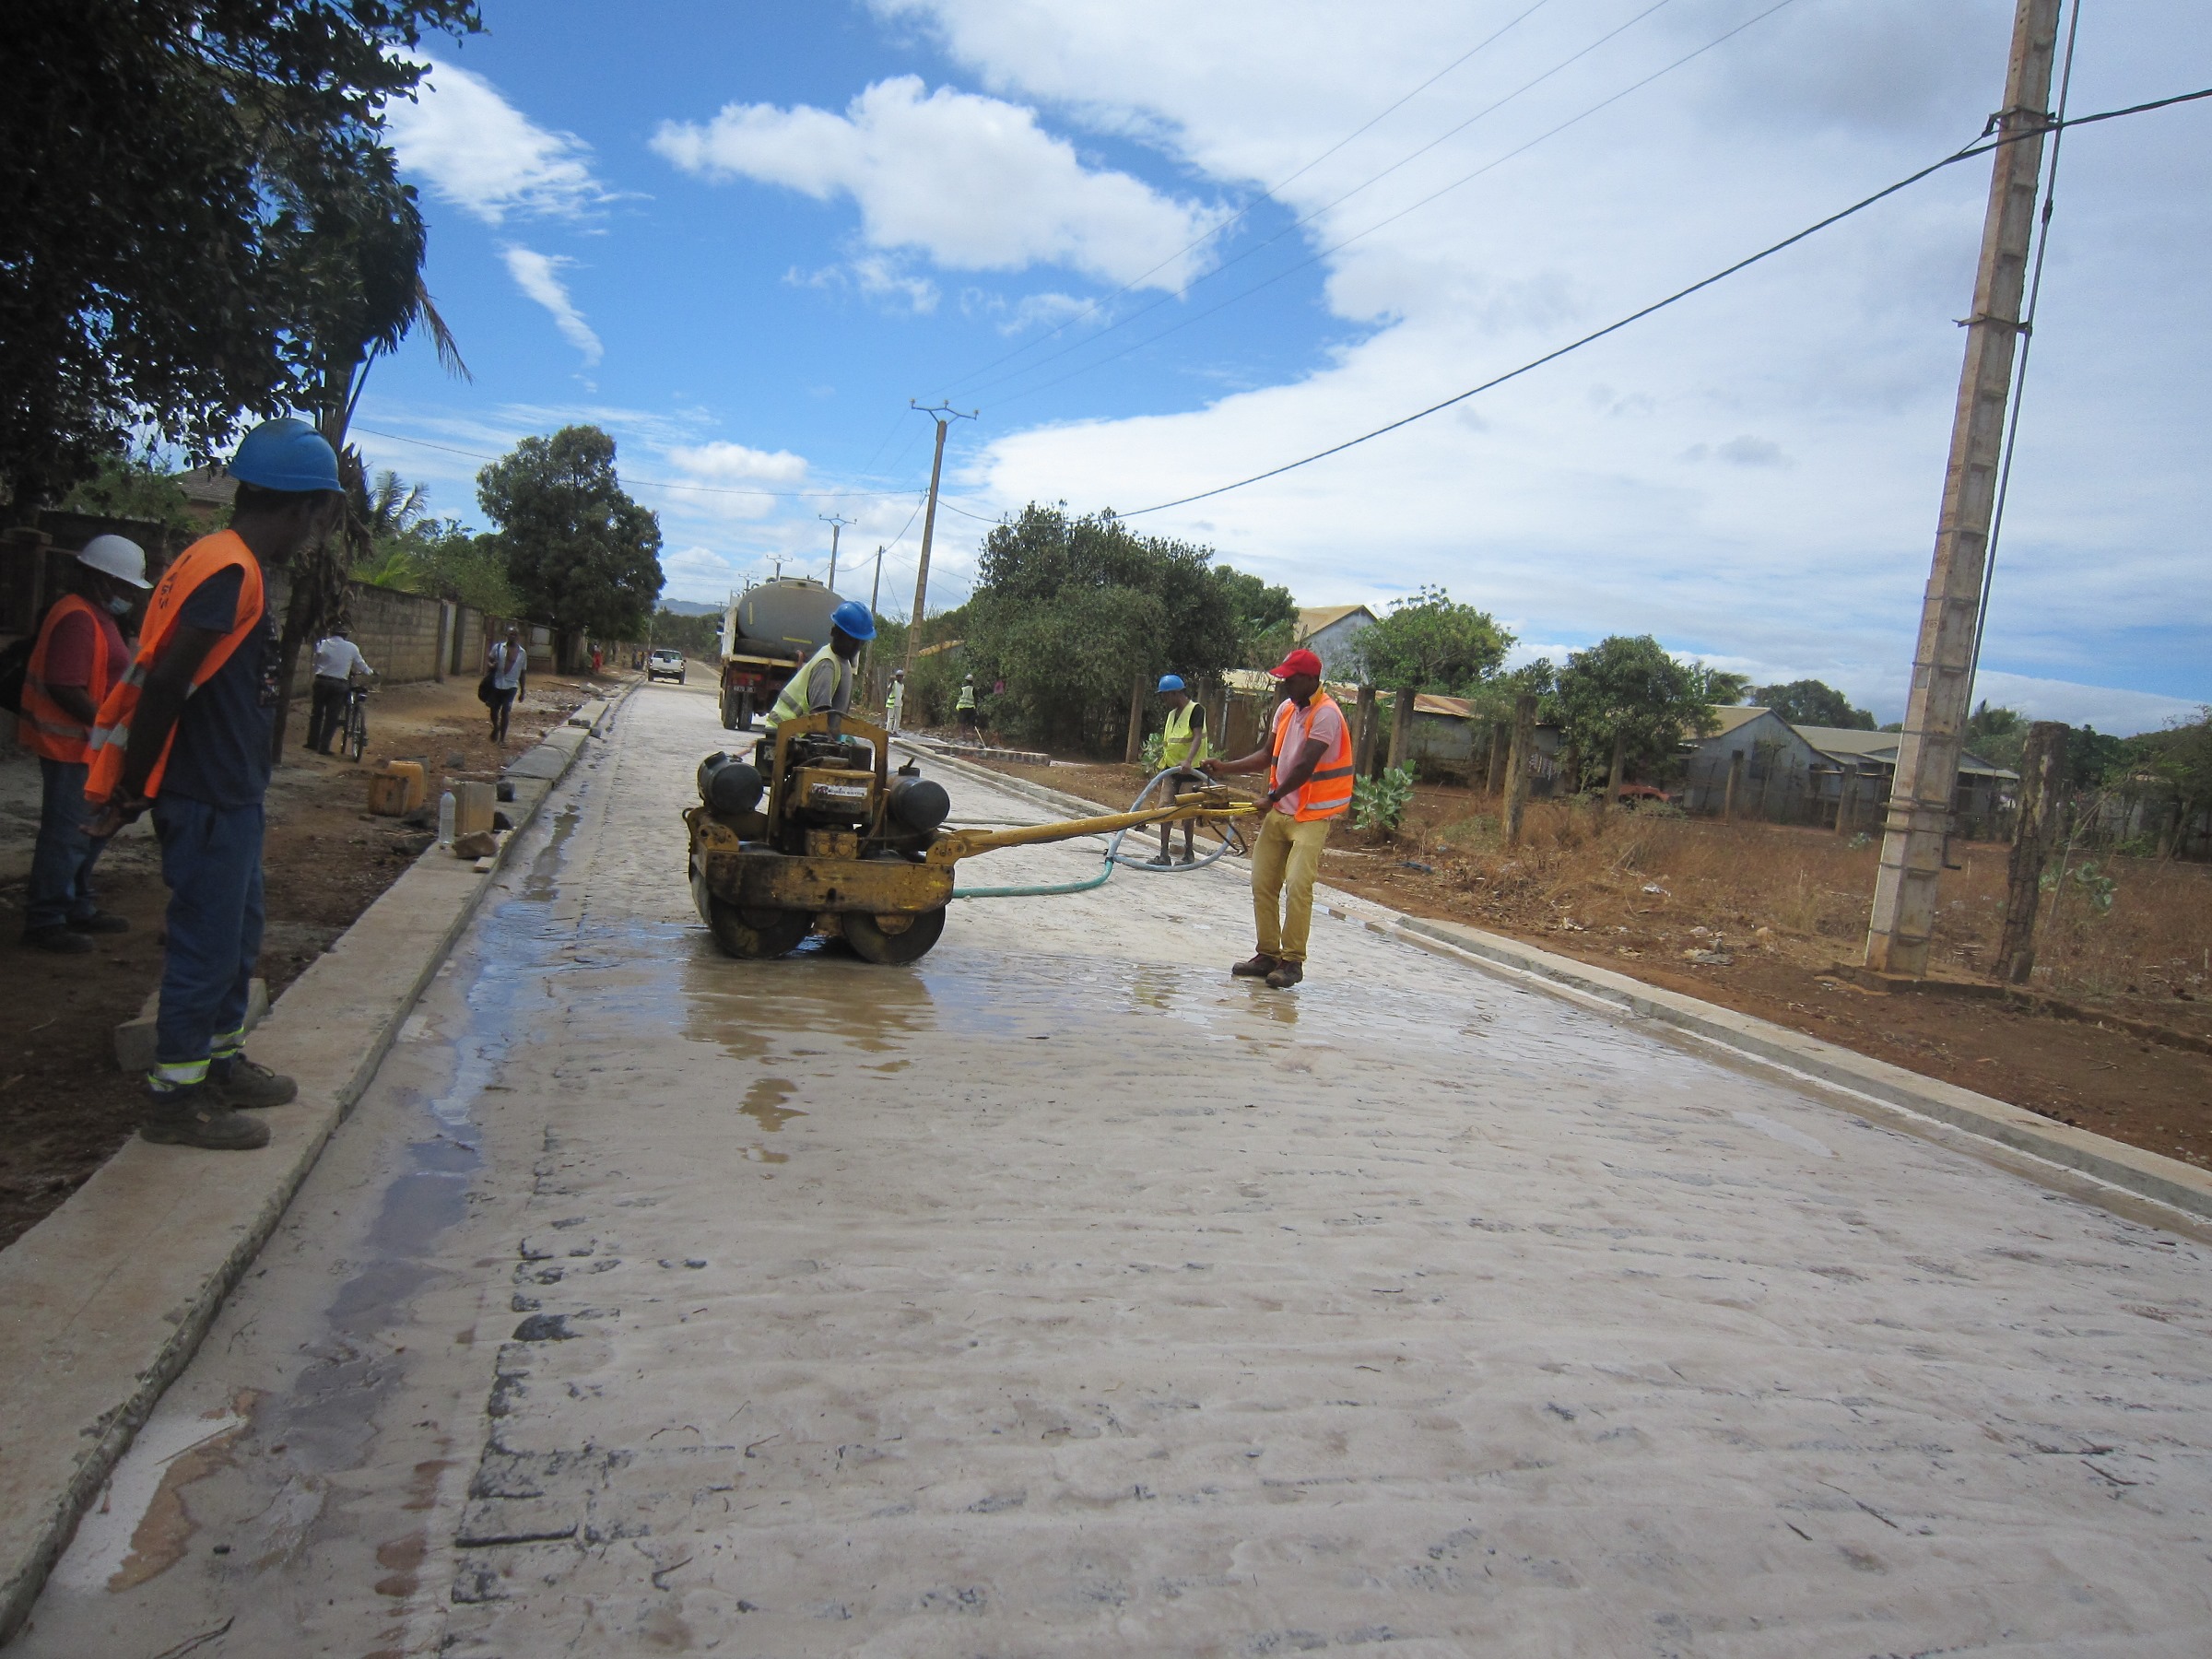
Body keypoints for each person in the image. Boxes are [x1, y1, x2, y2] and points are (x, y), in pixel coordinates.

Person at [86, 418, 345, 1150]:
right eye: (318, 516)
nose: (313, 532)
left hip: (230, 790)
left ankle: (221, 1061)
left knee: (239, 933)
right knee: (205, 943)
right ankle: (176, 1098)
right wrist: (132, 791)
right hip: (203, 790)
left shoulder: (222, 560)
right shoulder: (228, 569)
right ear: (303, 507)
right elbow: (166, 681)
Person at [18, 535, 150, 952]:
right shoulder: (77, 618)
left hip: (89, 746)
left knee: (89, 830)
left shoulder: (95, 615)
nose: (128, 595)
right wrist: (107, 728)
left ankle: (76, 904)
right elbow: (65, 685)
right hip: (72, 745)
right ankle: (47, 919)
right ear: (100, 579)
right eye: (125, 586)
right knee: (68, 833)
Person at [1200, 648, 1352, 990]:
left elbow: (1304, 767)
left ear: (1311, 679)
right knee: (1262, 883)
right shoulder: (1285, 711)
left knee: (1298, 885)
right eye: (1283, 678)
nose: (1284, 684)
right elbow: (1267, 756)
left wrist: (1270, 797)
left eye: (1291, 679)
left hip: (1310, 816)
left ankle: (1292, 961)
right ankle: (1267, 954)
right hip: (1281, 812)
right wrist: (1226, 767)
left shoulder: (1327, 715)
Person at [759, 601, 873, 756]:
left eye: (860, 642)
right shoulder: (827, 664)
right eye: (851, 640)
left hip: (798, 734)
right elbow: (818, 716)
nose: (856, 647)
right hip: (786, 734)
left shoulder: (842, 662)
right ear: (834, 632)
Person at [1149, 673, 1209, 868]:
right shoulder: (1171, 715)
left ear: (1175, 693)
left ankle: (1189, 852)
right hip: (1171, 771)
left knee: (1186, 812)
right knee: (1165, 810)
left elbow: (1197, 737)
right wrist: (1161, 770)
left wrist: (1189, 760)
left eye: (1165, 696)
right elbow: (1169, 744)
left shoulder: (1196, 710)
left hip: (1191, 772)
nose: (1164, 700)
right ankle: (1163, 854)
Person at [306, 625, 373, 754]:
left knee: (317, 713)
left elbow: (316, 658)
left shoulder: (323, 643)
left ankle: (312, 743)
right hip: (339, 685)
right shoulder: (352, 647)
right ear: (346, 635)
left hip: (321, 681)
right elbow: (361, 664)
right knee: (332, 716)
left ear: (331, 633)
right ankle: (324, 747)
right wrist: (370, 672)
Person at [485, 629, 525, 743]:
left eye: (515, 634)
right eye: (510, 634)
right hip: (497, 683)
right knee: (494, 710)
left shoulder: (522, 653)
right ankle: (496, 727)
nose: (512, 636)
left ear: (518, 637)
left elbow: (523, 672)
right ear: (507, 635)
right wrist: (492, 665)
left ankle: (502, 739)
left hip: (511, 685)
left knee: (505, 711)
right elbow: (489, 661)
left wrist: (523, 691)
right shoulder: (498, 648)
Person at [955, 675, 979, 741]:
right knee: (971, 722)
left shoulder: (962, 689)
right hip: (971, 708)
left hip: (962, 708)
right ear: (972, 681)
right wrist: (976, 708)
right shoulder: (974, 690)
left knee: (963, 722)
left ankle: (963, 736)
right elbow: (976, 700)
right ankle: (971, 736)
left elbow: (960, 697)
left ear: (966, 681)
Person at [884, 667, 906, 735]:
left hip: (899, 704)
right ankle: (888, 731)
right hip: (892, 703)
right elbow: (888, 690)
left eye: (901, 676)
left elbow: (902, 694)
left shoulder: (902, 685)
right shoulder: (894, 683)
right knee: (890, 717)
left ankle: (895, 731)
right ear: (897, 677)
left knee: (898, 718)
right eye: (899, 676)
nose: (900, 678)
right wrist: (891, 682)